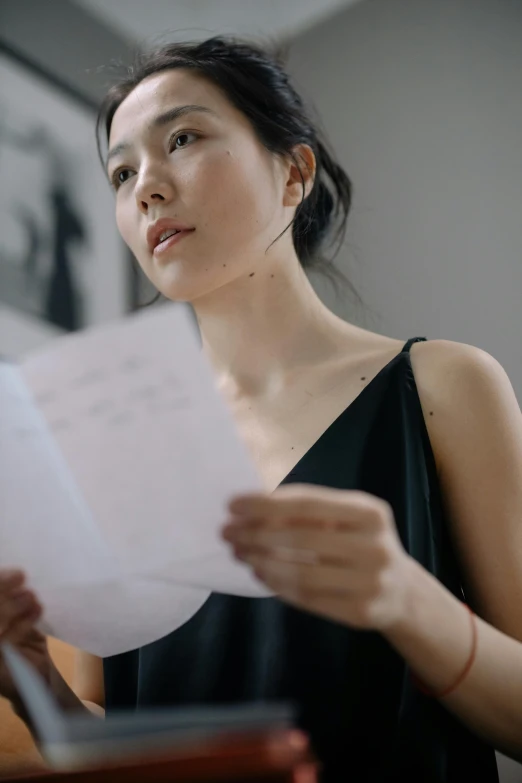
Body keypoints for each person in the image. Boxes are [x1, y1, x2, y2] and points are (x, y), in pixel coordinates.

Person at [1, 35, 522, 783]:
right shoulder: (105, 453)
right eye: (121, 172)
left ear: (294, 172)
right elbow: (119, 738)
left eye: (181, 138)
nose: (144, 186)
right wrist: (38, 687)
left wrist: (411, 601)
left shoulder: (442, 384)